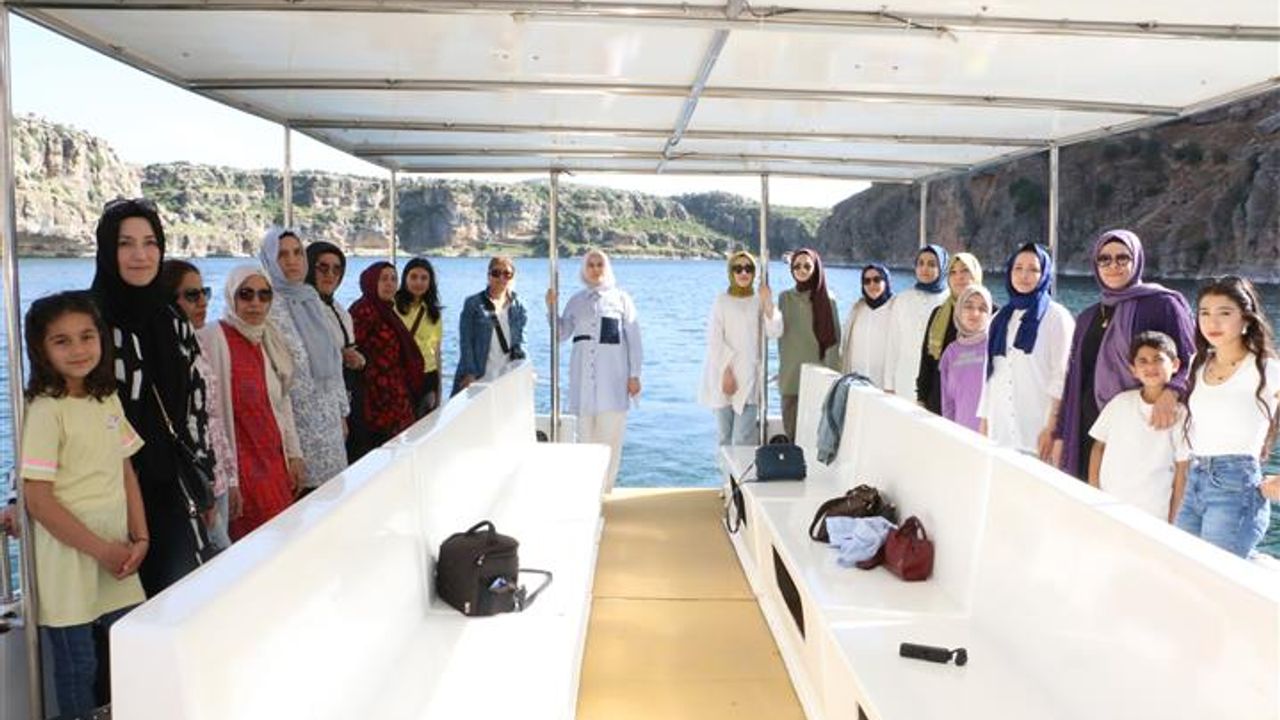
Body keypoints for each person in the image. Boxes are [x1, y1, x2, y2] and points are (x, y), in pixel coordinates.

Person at [19, 291, 147, 716]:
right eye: (62, 341)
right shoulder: (45, 409)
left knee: (133, 648)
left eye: (86, 336)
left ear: (101, 339)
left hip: (119, 552)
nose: (78, 349)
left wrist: (140, 537)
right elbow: (38, 499)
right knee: (79, 667)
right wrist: (102, 550)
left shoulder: (105, 397)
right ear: (41, 349)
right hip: (68, 561)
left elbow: (125, 470)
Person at [89, 198, 210, 595]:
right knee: (120, 609)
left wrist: (204, 476)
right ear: (107, 250)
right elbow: (48, 401)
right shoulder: (87, 321)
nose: (140, 255)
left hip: (169, 485)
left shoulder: (173, 320)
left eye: (150, 243)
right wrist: (18, 494)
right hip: (106, 492)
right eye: (125, 244)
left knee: (180, 598)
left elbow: (196, 402)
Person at [1054, 229, 1196, 480]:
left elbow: (1192, 359)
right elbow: (1075, 380)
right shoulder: (1087, 317)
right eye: (1104, 259)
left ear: (1137, 260)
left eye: (1122, 258)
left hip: (1141, 425)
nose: (1113, 266)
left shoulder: (1163, 304)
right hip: (1088, 427)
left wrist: (1172, 391)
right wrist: (1061, 434)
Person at [1175, 276, 1280, 558]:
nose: (1212, 322)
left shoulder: (1266, 368)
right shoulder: (1199, 364)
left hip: (1236, 487)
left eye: (1224, 313)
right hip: (1195, 480)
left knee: (1212, 571)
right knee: (1180, 564)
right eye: (1204, 313)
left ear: (1246, 319)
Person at [198, 266, 301, 540]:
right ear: (232, 296)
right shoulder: (212, 338)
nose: (255, 303)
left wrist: (294, 454)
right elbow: (208, 416)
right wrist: (226, 480)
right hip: (239, 468)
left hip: (273, 462)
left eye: (264, 295)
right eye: (246, 294)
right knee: (251, 547)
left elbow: (282, 401)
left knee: (284, 538)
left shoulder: (269, 338)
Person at [258, 228, 348, 491]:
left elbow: (332, 359)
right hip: (296, 429)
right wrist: (290, 446)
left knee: (335, 500)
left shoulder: (312, 299)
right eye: (282, 254)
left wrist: (342, 413)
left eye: (297, 253)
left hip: (329, 425)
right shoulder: (265, 305)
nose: (292, 261)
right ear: (269, 259)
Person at [547, 250, 643, 490]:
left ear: (606, 267)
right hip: (583, 383)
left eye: (600, 264)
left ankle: (605, 490)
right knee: (584, 440)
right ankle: (587, 489)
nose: (595, 269)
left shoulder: (621, 299)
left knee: (610, 441)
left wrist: (634, 375)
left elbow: (634, 340)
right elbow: (560, 334)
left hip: (613, 382)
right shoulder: (576, 301)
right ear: (584, 269)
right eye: (590, 264)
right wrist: (551, 308)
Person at [161, 260, 237, 552]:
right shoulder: (169, 353)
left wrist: (230, 476)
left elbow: (212, 418)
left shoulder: (195, 341)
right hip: (196, 481)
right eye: (192, 295)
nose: (203, 302)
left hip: (216, 475)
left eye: (204, 293)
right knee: (222, 560)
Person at [978, 243, 1075, 457]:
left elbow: (1061, 377)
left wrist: (1052, 428)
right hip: (999, 431)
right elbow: (990, 375)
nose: (1024, 275)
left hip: (1037, 433)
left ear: (1044, 274)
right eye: (1018, 268)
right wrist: (984, 422)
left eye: (1033, 269)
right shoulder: (998, 319)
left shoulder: (1057, 317)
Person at [1088, 332, 1191, 522]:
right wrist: (1093, 492)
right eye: (1142, 361)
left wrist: (1174, 519)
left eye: (1158, 359)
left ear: (1175, 365)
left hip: (1153, 512)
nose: (1150, 366)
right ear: (1133, 369)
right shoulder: (1120, 402)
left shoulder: (1180, 414)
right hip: (1107, 503)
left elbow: (1182, 469)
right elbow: (1098, 448)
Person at [700, 251, 783, 445]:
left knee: (742, 438)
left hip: (749, 378)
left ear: (754, 272)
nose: (743, 273)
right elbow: (714, 338)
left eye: (748, 268)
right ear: (731, 272)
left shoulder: (759, 301)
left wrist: (768, 302)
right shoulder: (722, 300)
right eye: (738, 269)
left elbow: (775, 331)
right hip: (723, 374)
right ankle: (726, 469)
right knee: (724, 437)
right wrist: (726, 371)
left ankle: (743, 468)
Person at [304, 241, 368, 462]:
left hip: (347, 395)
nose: (330, 275)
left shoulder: (339, 310)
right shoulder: (303, 309)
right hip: (319, 404)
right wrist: (341, 356)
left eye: (337, 269)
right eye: (323, 267)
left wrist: (356, 358)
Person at [351, 262, 424, 450]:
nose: (389, 284)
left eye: (393, 279)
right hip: (375, 401)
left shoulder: (387, 310)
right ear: (371, 281)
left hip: (395, 397)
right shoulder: (363, 310)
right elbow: (352, 352)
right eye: (383, 279)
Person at [776, 248, 841, 440]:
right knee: (792, 436)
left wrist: (831, 380)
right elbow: (776, 331)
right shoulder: (784, 298)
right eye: (796, 266)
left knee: (814, 438)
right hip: (790, 380)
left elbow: (833, 342)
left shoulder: (827, 299)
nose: (801, 270)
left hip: (818, 380)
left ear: (816, 268)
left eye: (807, 266)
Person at [917, 253, 984, 414]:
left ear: (976, 274)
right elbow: (927, 361)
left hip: (975, 406)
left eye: (965, 270)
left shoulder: (991, 313)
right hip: (938, 401)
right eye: (953, 272)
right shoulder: (939, 314)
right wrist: (921, 399)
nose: (958, 277)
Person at [453, 256, 528, 396]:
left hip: (506, 377)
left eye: (507, 274)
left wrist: (524, 370)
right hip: (479, 376)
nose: (501, 278)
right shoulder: (473, 304)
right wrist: (470, 373)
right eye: (496, 273)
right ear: (488, 275)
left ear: (512, 277)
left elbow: (521, 343)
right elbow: (466, 342)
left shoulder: (519, 306)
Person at [883, 245, 949, 401]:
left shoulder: (949, 300)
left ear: (943, 267)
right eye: (921, 263)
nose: (925, 268)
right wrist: (888, 383)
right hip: (905, 376)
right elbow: (893, 341)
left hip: (937, 379)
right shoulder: (903, 299)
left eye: (932, 264)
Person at [395, 257, 444, 417]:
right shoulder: (393, 306)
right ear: (405, 278)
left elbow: (436, 352)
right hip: (401, 376)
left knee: (425, 425)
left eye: (424, 278)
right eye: (414, 277)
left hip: (427, 377)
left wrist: (439, 390)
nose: (419, 282)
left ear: (430, 282)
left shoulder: (433, 313)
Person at [939, 285, 993, 433]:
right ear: (959, 310)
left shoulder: (995, 346)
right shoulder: (950, 352)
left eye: (982, 309)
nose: (975, 313)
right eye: (968, 306)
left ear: (989, 315)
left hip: (991, 434)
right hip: (960, 433)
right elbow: (947, 403)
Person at [840, 263, 894, 386]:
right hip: (857, 380)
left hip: (886, 383)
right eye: (867, 281)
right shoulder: (857, 309)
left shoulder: (895, 308)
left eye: (877, 280)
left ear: (886, 281)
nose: (872, 285)